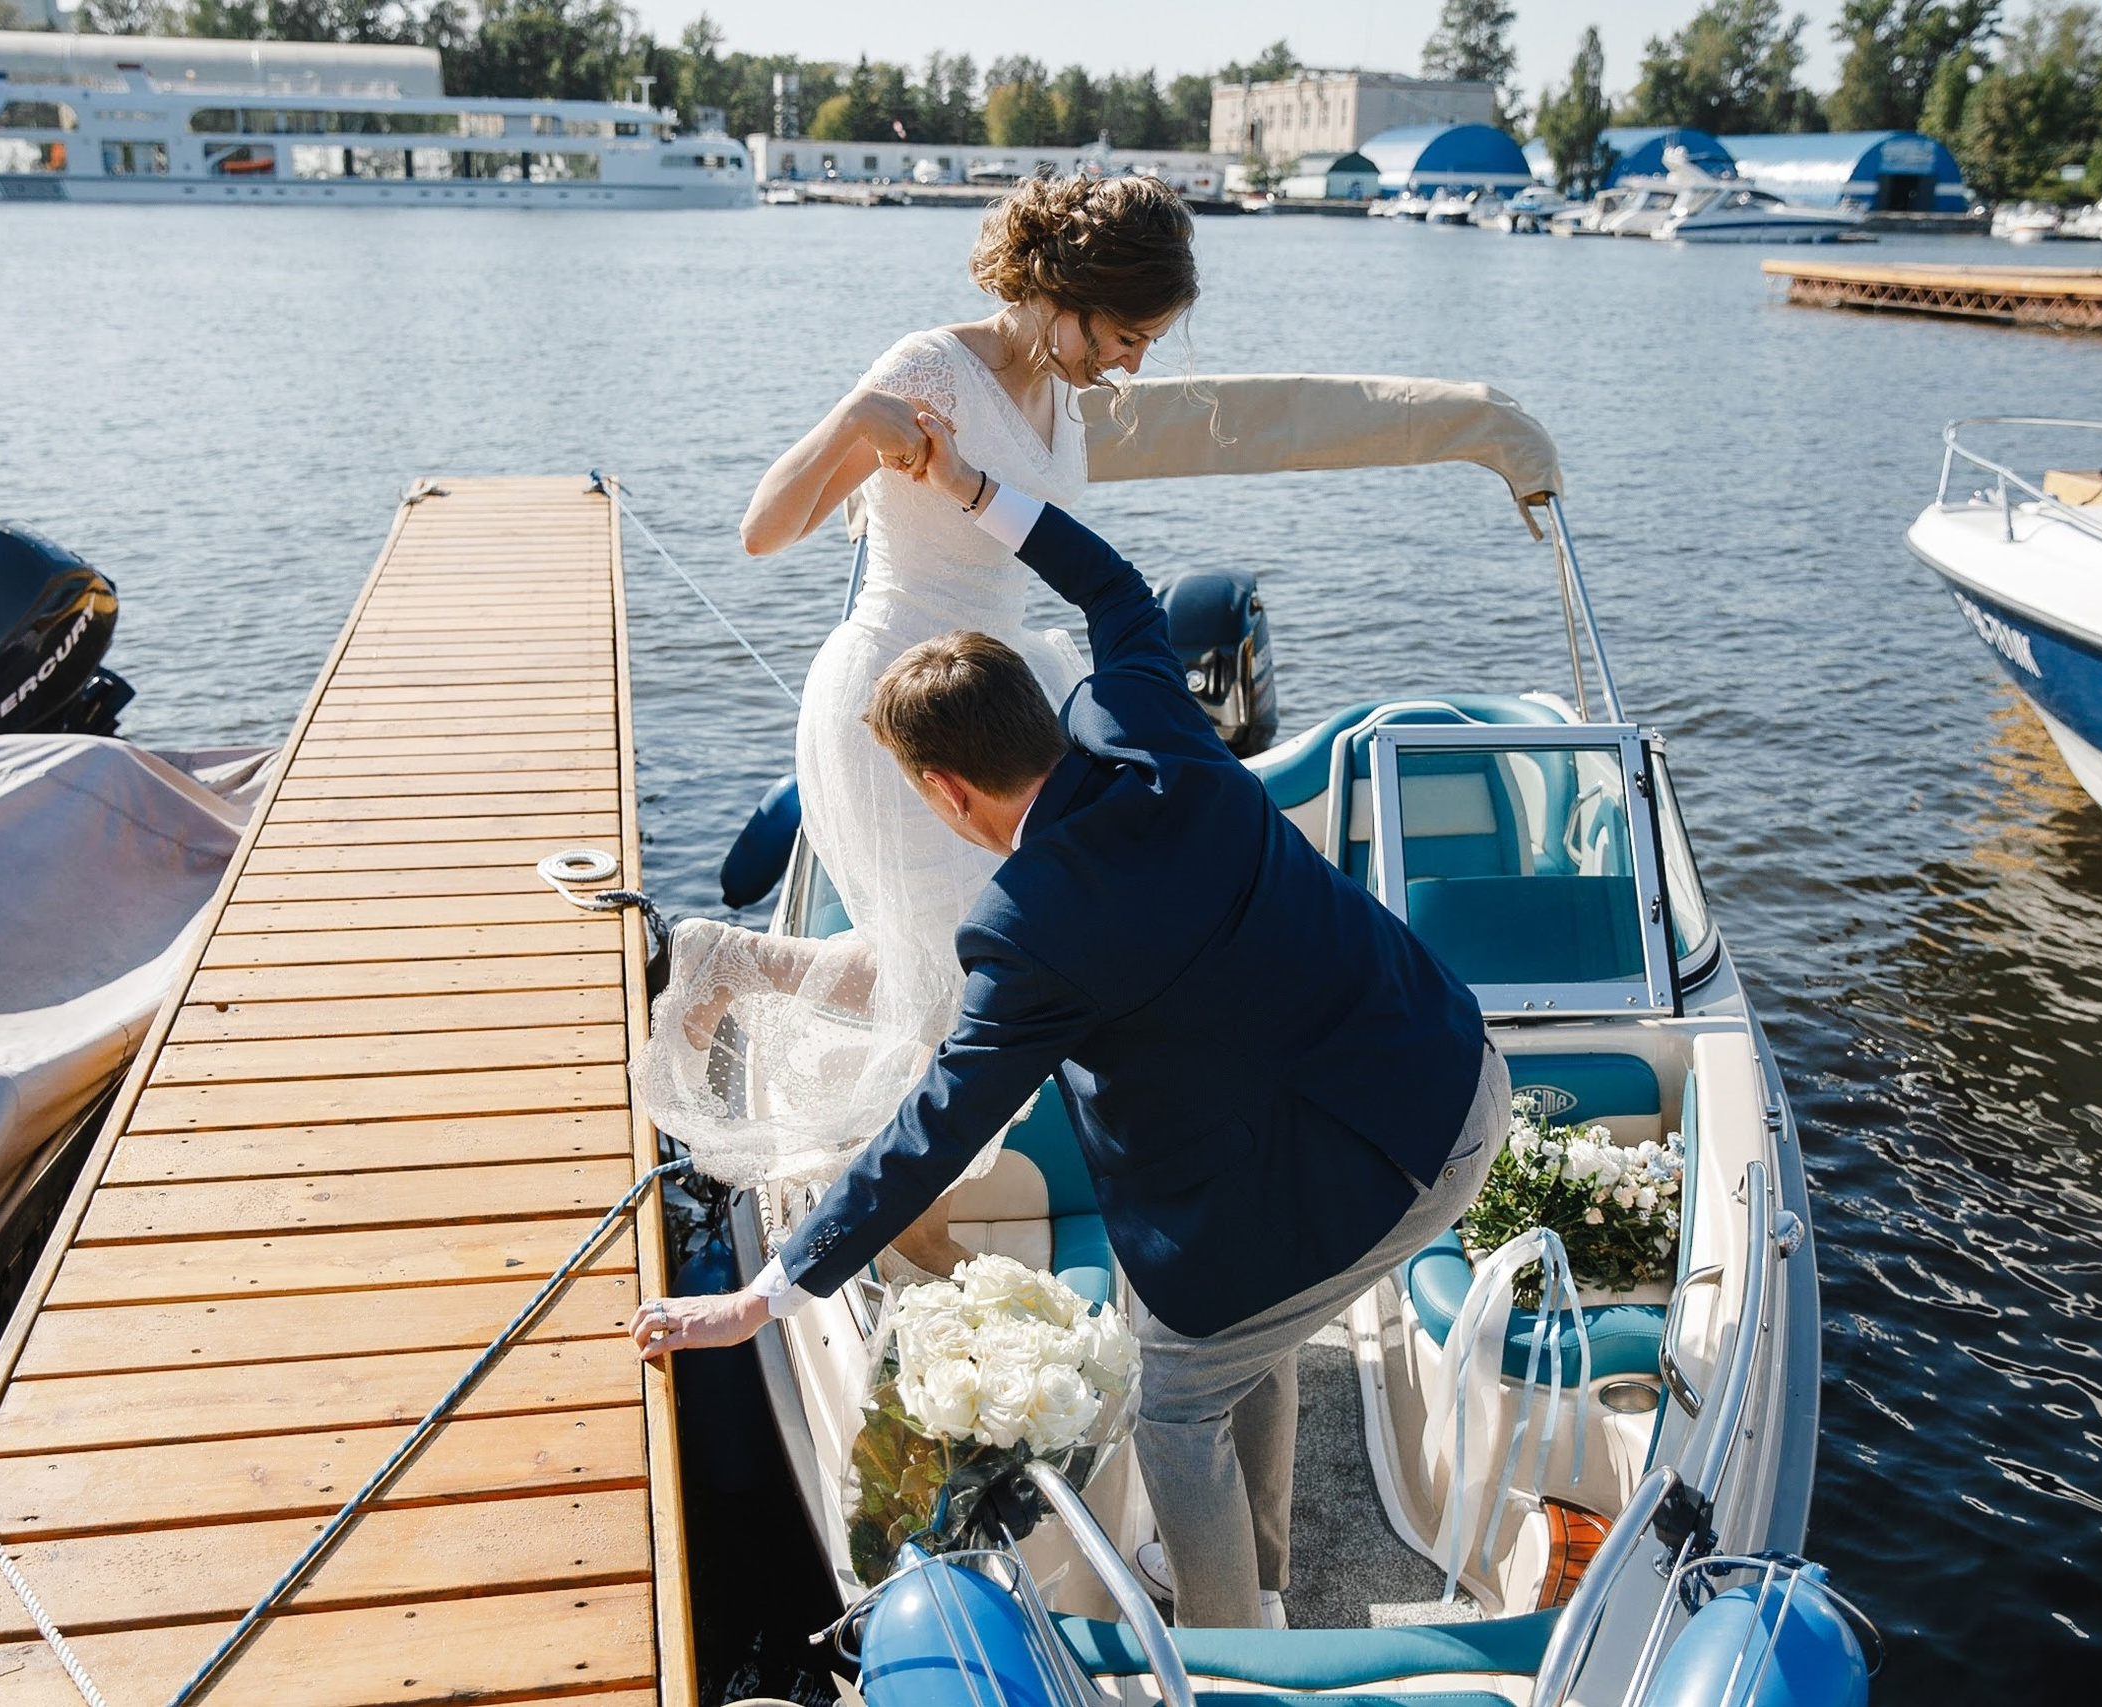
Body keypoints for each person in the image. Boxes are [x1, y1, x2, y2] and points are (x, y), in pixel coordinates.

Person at [634, 414, 1509, 1630]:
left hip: (1396, 1169)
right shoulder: (1150, 725)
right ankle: (1255, 1568)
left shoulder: (1028, 929)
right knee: (1214, 1325)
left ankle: (1228, 1644)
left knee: (1175, 1401)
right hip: (1454, 1071)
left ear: (943, 788)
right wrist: (975, 486)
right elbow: (1112, 587)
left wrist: (763, 1296)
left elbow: (931, 1132)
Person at [630, 177, 1200, 1238]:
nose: (1133, 362)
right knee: (957, 984)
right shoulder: (928, 368)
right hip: (901, 695)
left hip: (1007, 690)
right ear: (1065, 294)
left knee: (978, 964)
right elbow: (762, 529)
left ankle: (733, 964)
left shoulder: (1059, 391)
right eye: (1127, 334)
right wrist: (854, 418)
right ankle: (892, 1210)